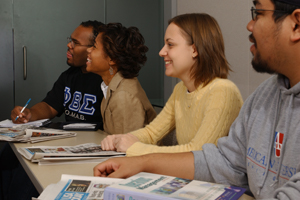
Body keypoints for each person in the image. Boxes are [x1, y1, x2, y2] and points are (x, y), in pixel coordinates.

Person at [94, 0, 300, 199]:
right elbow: (224, 162)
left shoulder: (223, 91)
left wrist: (137, 151)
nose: (249, 25)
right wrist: (142, 162)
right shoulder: (264, 95)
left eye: (259, 13)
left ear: (296, 24)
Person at [100, 13, 243, 157]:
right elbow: (152, 133)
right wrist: (122, 139)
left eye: (170, 45)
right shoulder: (180, 89)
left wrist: (134, 148)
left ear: (194, 50)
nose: (162, 52)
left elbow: (198, 153)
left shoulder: (223, 91)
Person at [11, 20, 104, 128]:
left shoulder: (105, 80)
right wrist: (29, 114)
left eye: (76, 42)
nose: (69, 45)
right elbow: (50, 106)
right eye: (70, 40)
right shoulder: (69, 75)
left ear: (93, 49)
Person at [86, 23, 157, 135]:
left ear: (112, 59)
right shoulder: (111, 86)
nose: (88, 50)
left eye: (94, 47)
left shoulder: (124, 96)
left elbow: (128, 148)